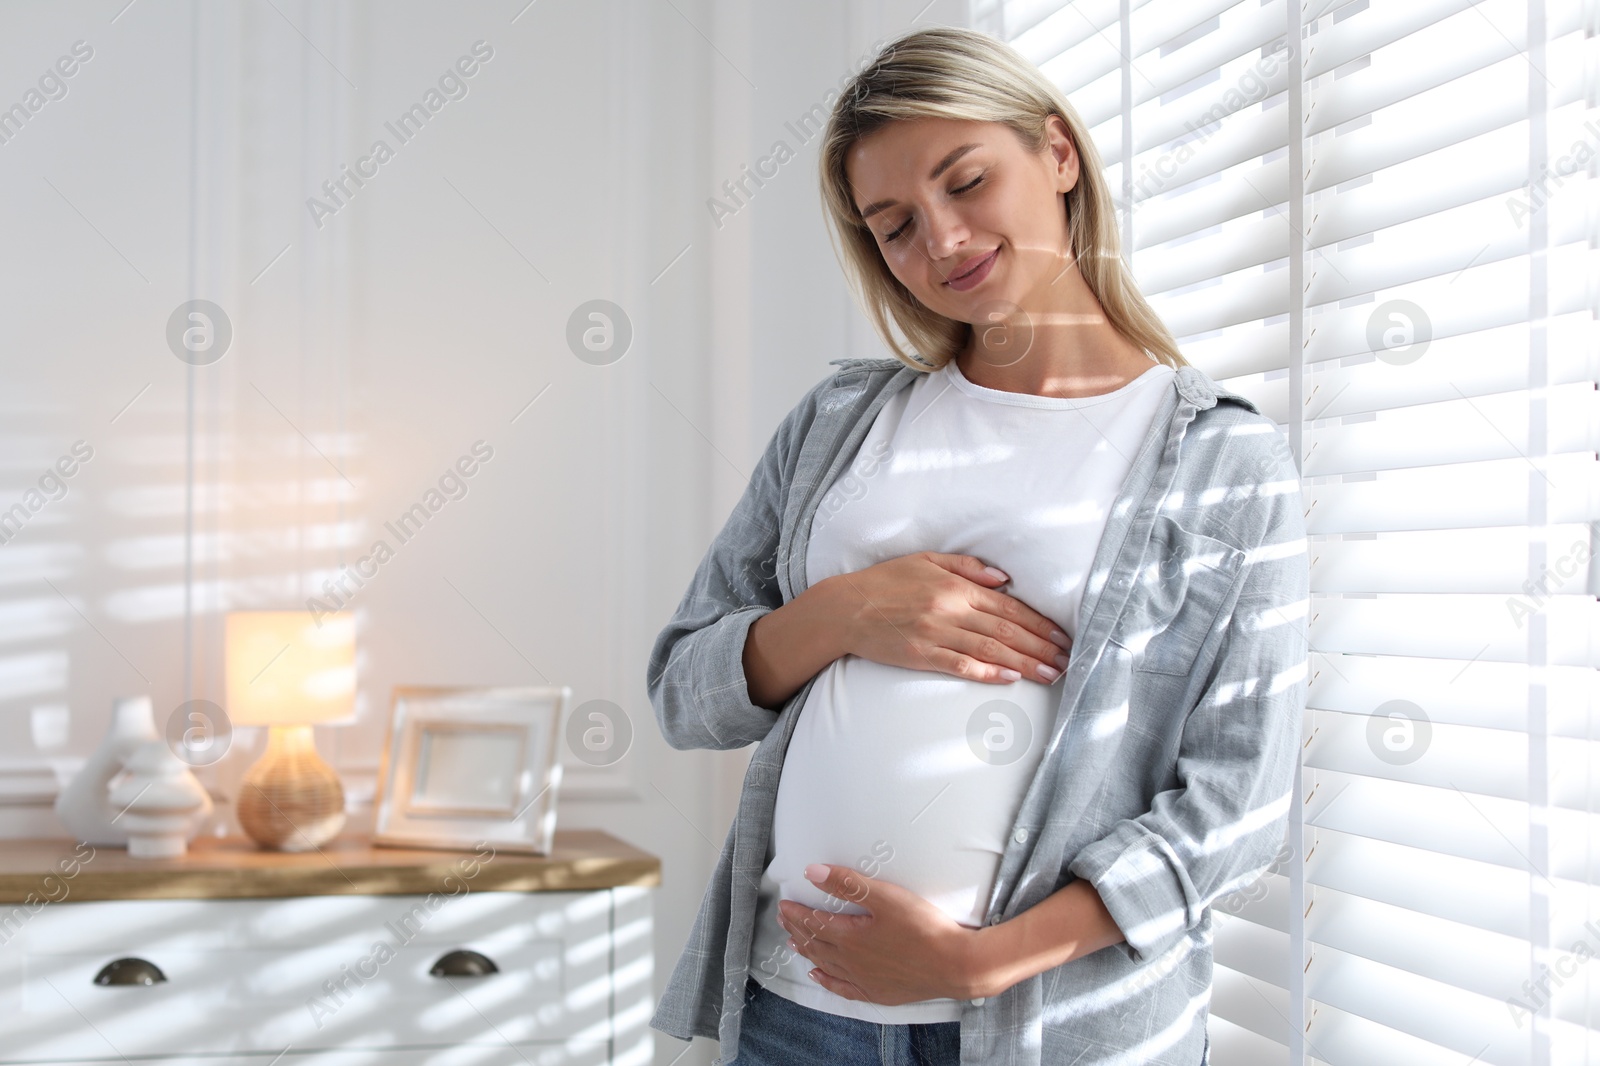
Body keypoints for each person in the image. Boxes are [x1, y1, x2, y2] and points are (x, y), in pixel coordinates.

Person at [647, 25, 1309, 1066]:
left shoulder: (1218, 459)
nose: (941, 241)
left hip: (1056, 1030)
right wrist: (844, 613)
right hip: (794, 1013)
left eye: (966, 181)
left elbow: (1240, 804)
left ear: (1056, 153)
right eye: (893, 224)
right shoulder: (838, 426)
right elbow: (683, 688)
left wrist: (979, 963)